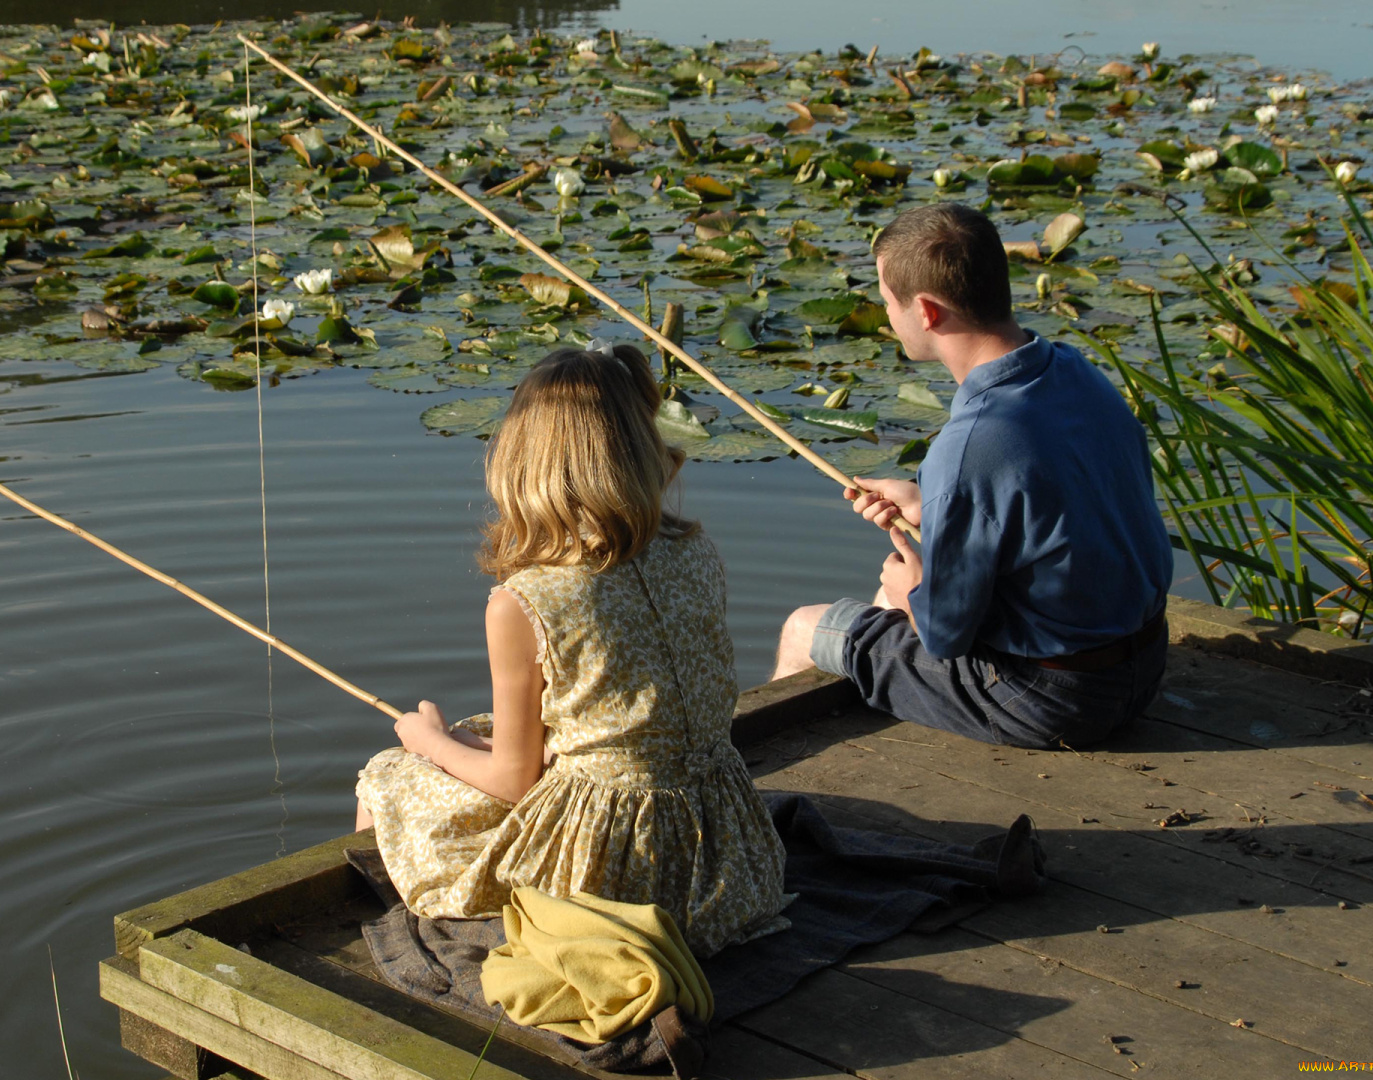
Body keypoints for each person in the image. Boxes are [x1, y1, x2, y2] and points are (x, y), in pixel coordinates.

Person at [355, 344, 791, 958]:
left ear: (520, 462)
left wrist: (424, 739)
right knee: (479, 733)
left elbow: (513, 779)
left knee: (389, 777)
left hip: (613, 880)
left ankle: (385, 925)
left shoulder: (523, 600)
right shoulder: (695, 552)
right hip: (732, 861)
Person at [772, 203, 1171, 749]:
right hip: (1145, 665)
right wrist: (927, 502)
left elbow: (944, 635)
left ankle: (749, 808)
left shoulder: (968, 447)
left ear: (928, 312)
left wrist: (912, 591)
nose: (887, 313)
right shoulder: (1074, 370)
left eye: (889, 301)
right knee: (885, 608)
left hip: (1055, 701)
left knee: (807, 626)